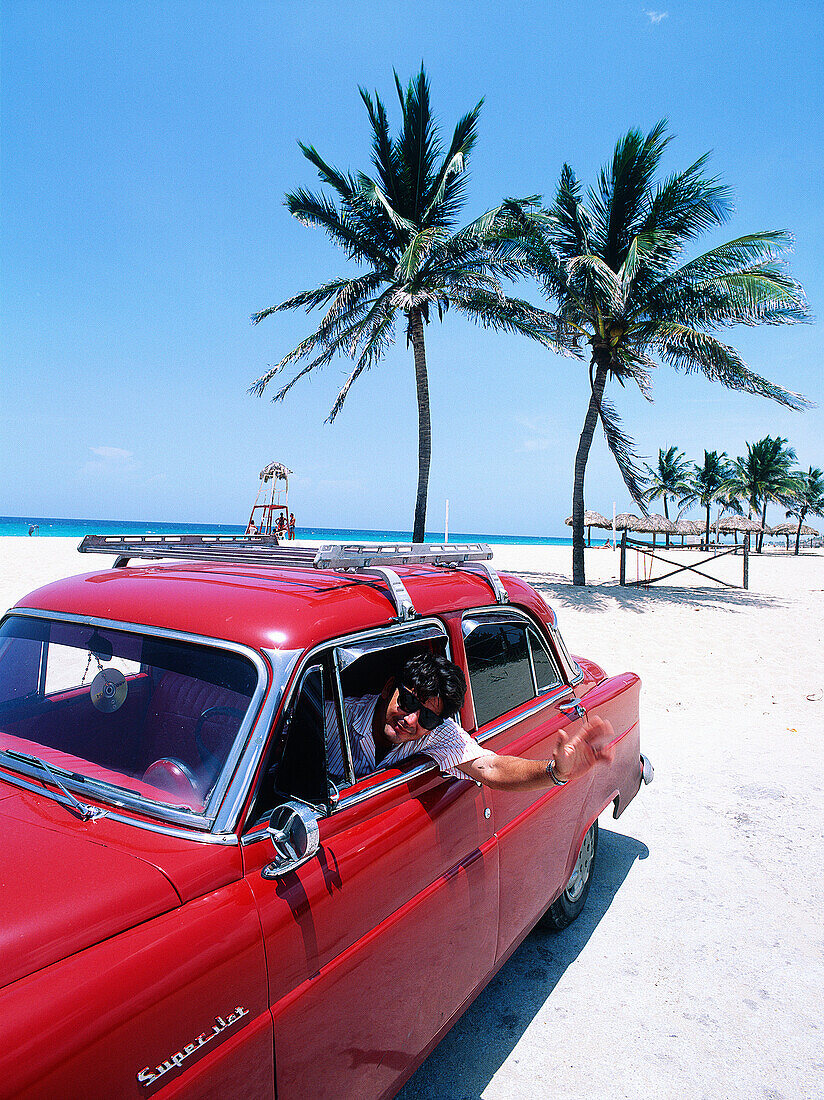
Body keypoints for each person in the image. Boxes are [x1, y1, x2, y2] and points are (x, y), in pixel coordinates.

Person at [325, 651, 614, 791]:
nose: (411, 720)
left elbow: (490, 766)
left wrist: (556, 772)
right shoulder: (332, 716)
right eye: (408, 701)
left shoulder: (436, 732)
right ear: (390, 688)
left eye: (426, 715)